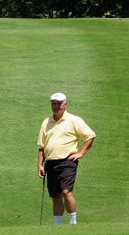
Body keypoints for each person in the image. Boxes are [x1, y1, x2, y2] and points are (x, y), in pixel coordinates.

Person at [37, 92, 96, 225]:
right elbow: (41, 146)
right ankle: (58, 226)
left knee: (66, 191)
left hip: (67, 161)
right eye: (54, 104)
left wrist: (80, 153)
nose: (56, 106)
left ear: (65, 104)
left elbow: (90, 136)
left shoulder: (74, 120)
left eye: (58, 103)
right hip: (50, 163)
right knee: (55, 195)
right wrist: (40, 165)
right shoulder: (46, 122)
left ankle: (73, 223)